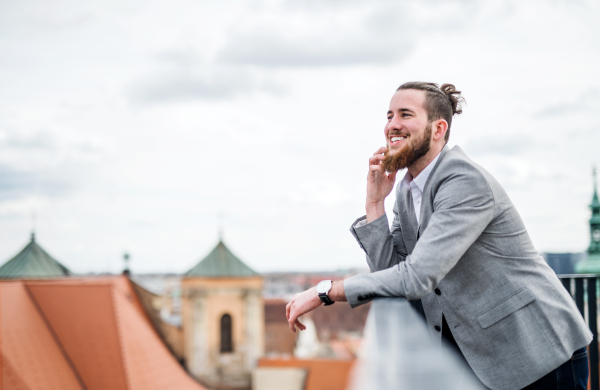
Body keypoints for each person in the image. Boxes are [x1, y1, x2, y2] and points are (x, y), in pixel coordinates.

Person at [285, 82, 592, 390]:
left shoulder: (463, 180)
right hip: (483, 360)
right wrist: (375, 203)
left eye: (405, 114)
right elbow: (391, 275)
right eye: (389, 116)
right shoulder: (407, 191)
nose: (392, 125)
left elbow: (417, 276)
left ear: (438, 128)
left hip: (538, 352)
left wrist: (327, 291)